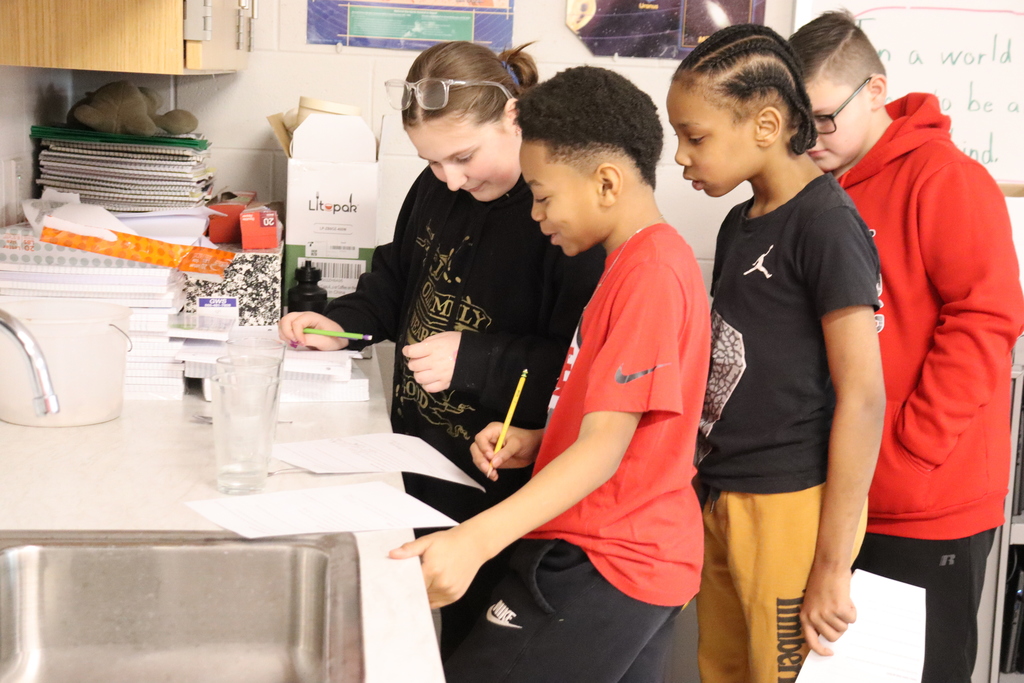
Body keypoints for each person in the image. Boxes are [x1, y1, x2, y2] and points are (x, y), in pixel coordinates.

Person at [278, 41, 604, 659]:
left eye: (463, 157)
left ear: (514, 117)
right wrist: (339, 324)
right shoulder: (437, 191)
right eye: (432, 163)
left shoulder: (565, 219)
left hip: (498, 493)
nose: (451, 179)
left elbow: (581, 372)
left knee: (472, 649)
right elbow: (395, 282)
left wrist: (476, 360)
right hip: (416, 466)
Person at [390, 65, 711, 682]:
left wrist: (474, 540)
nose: (536, 214)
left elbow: (604, 451)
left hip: (606, 557)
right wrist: (539, 440)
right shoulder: (632, 264)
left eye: (542, 195)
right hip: (633, 556)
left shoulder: (650, 275)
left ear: (607, 183)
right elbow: (626, 422)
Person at [790, 12, 1024, 682]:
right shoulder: (819, 188)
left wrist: (907, 452)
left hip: (922, 506)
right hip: (835, 498)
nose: (809, 140)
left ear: (875, 90)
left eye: (823, 120)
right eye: (798, 124)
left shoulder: (947, 180)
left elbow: (987, 321)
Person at [667, 24, 886, 683]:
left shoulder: (826, 224)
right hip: (725, 491)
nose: (681, 157)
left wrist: (829, 564)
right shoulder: (739, 221)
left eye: (694, 136)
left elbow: (864, 395)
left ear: (766, 124)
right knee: (725, 669)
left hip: (792, 504)